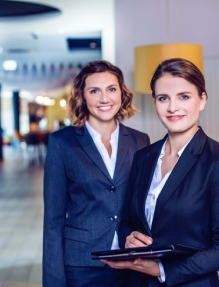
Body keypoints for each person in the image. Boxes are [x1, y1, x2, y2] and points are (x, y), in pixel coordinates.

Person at [102, 58, 219, 287]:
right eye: (163, 98)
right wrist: (129, 238)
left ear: (202, 100)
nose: (172, 107)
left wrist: (161, 269)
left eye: (184, 97)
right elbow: (128, 221)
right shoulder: (143, 157)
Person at [43, 60, 150, 287]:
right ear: (82, 96)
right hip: (81, 264)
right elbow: (53, 221)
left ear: (122, 94)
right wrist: (53, 281)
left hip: (131, 261)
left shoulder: (141, 141)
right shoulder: (62, 143)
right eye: (94, 91)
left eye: (111, 89)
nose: (104, 99)